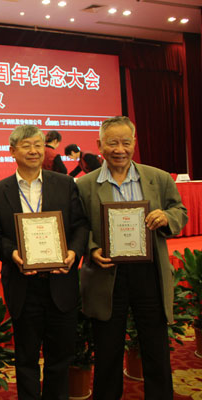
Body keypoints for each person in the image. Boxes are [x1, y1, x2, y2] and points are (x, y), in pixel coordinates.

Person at [76, 116, 188, 399]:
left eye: (126, 142)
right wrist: (92, 248)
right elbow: (77, 226)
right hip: (106, 273)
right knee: (107, 348)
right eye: (112, 143)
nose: (120, 149)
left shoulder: (158, 178)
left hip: (149, 272)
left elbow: (180, 211)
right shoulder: (84, 184)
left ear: (135, 143)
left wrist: (167, 217)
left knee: (155, 346)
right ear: (99, 144)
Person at [0, 125, 89, 399]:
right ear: (12, 151)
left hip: (61, 281)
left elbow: (80, 225)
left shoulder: (65, 184)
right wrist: (12, 253)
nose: (33, 151)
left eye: (38, 145)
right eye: (26, 145)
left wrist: (73, 252)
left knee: (60, 357)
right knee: (26, 358)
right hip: (23, 285)